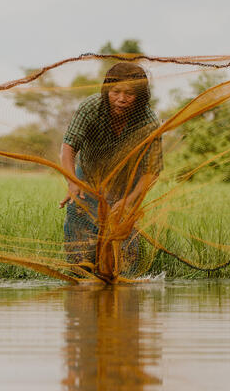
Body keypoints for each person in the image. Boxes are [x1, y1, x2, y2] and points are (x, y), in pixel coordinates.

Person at [59, 61, 161, 272]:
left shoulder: (148, 121)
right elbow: (68, 148)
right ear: (107, 91)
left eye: (129, 94)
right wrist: (72, 183)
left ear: (140, 96)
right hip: (87, 174)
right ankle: (81, 273)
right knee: (79, 217)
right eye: (115, 92)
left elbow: (152, 171)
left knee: (122, 231)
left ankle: (122, 276)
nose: (121, 99)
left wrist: (129, 200)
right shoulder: (91, 108)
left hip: (126, 180)